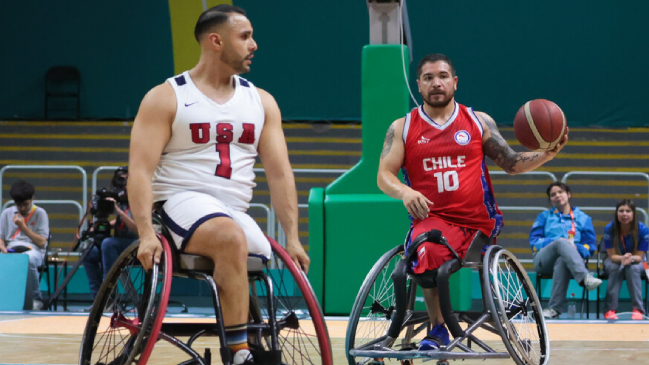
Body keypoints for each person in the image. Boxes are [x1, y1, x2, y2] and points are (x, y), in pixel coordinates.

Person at [128, 5, 309, 365]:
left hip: (232, 211)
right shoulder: (167, 97)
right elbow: (140, 171)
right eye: (244, 36)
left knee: (254, 248)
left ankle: (246, 339)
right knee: (230, 238)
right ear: (215, 41)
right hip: (179, 201)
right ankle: (240, 352)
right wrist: (146, 232)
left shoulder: (261, 101)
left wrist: (292, 237)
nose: (254, 44)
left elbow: (279, 173)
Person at [377, 53, 568, 350]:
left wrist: (546, 155)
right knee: (424, 252)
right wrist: (404, 192)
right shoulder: (401, 127)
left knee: (429, 251)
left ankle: (444, 326)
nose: (436, 83)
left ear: (455, 82)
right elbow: (383, 176)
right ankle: (439, 329)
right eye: (428, 78)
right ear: (418, 85)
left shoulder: (478, 122)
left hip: (477, 223)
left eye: (442, 76)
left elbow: (511, 162)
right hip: (432, 220)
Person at [529, 181, 600, 319]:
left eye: (560, 192)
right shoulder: (544, 217)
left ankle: (554, 309)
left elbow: (590, 247)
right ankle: (585, 277)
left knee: (562, 260)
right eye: (553, 194)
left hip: (570, 263)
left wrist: (575, 247)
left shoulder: (583, 218)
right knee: (561, 243)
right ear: (550, 199)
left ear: (568, 194)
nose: (557, 195)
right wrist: (558, 242)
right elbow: (534, 243)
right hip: (544, 261)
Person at [83, 166, 138, 299]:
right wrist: (99, 226)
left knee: (108, 243)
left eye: (126, 179)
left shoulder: (138, 201)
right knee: (89, 253)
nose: (123, 184)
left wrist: (117, 210)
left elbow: (137, 229)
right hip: (122, 243)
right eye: (121, 180)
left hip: (137, 245)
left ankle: (108, 296)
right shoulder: (122, 201)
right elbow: (122, 220)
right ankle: (97, 299)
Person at [0, 180, 49, 310]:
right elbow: (1, 238)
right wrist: (3, 248)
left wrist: (23, 227)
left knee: (29, 259)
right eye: (18, 205)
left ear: (32, 198)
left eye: (25, 204)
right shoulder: (6, 213)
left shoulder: (40, 213)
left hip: (33, 249)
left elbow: (42, 242)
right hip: (11, 249)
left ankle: (36, 298)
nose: (22, 208)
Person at [602, 199, 648, 320]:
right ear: (617, 213)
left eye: (628, 211)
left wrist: (630, 258)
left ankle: (638, 309)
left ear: (633, 214)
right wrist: (623, 258)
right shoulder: (609, 229)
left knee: (632, 269)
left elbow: (639, 256)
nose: (624, 214)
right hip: (615, 259)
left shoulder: (643, 230)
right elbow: (612, 256)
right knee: (617, 268)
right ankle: (610, 309)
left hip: (637, 260)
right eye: (621, 211)